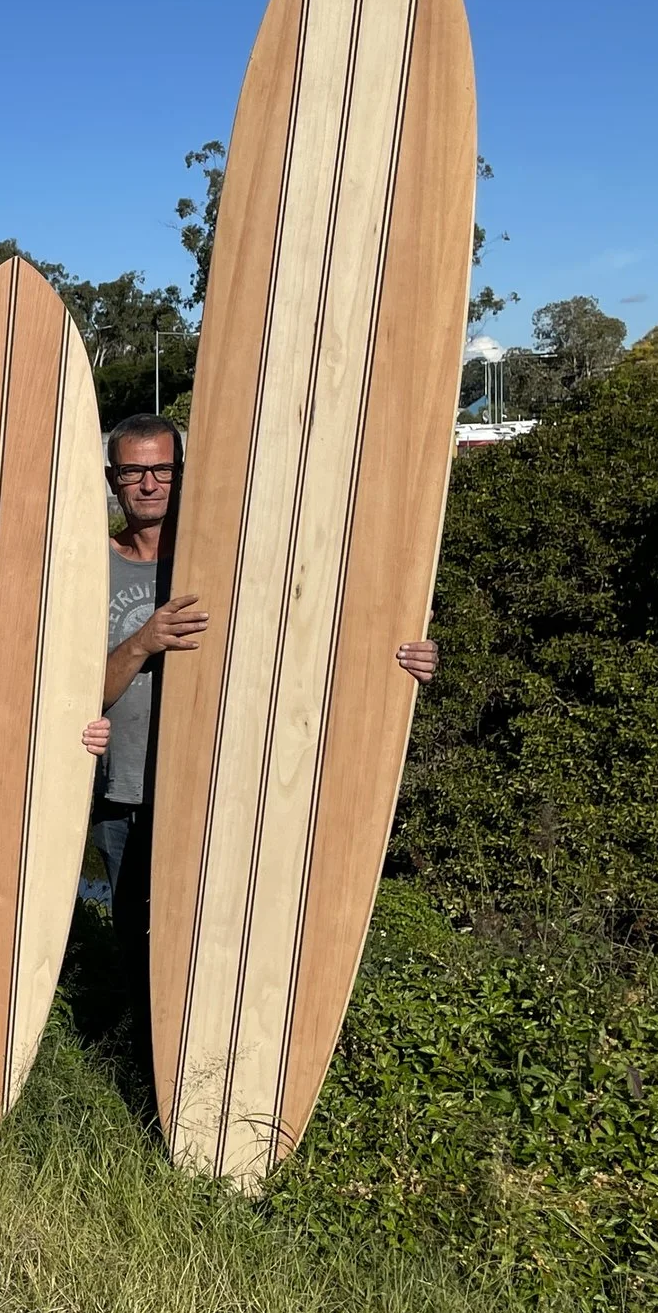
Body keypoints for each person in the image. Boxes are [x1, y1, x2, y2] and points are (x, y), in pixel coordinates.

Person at [93, 413, 437, 979]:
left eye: (163, 469)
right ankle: (135, 1064)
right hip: (123, 790)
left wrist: (401, 658)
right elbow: (77, 696)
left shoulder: (227, 562)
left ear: (183, 475)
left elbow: (310, 637)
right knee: (136, 941)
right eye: (134, 471)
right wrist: (143, 642)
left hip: (219, 781)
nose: (149, 484)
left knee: (216, 941)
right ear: (114, 480)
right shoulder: (88, 568)